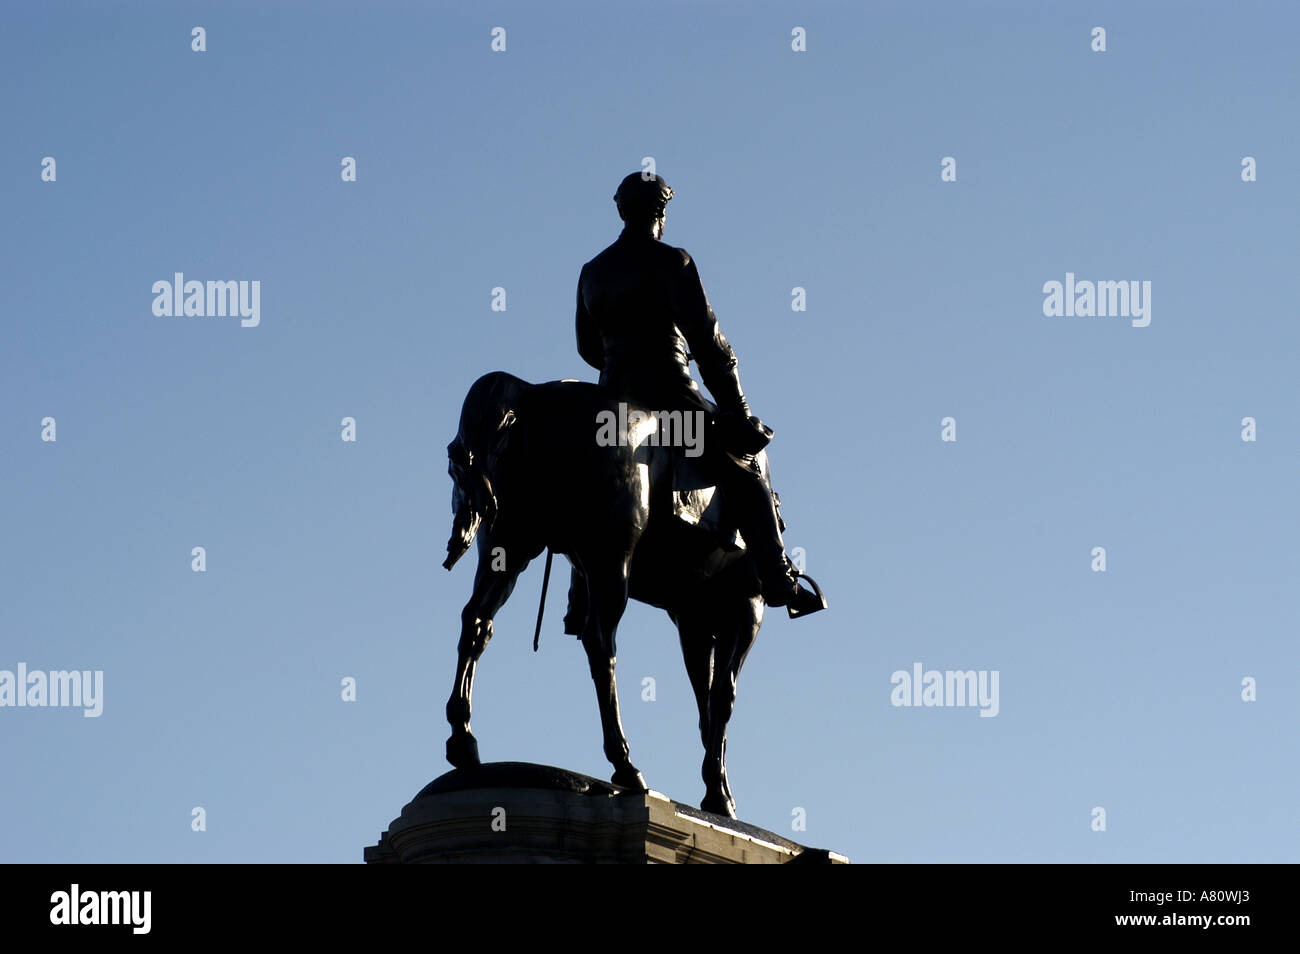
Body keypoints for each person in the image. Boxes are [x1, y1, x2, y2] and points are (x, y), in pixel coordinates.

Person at [574, 172, 825, 617]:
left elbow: (587, 348)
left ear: (621, 211)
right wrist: (738, 410)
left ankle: (580, 598)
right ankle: (778, 577)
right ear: (661, 212)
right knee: (746, 473)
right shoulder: (674, 262)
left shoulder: (592, 272)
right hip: (673, 403)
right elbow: (710, 345)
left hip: (613, 406)